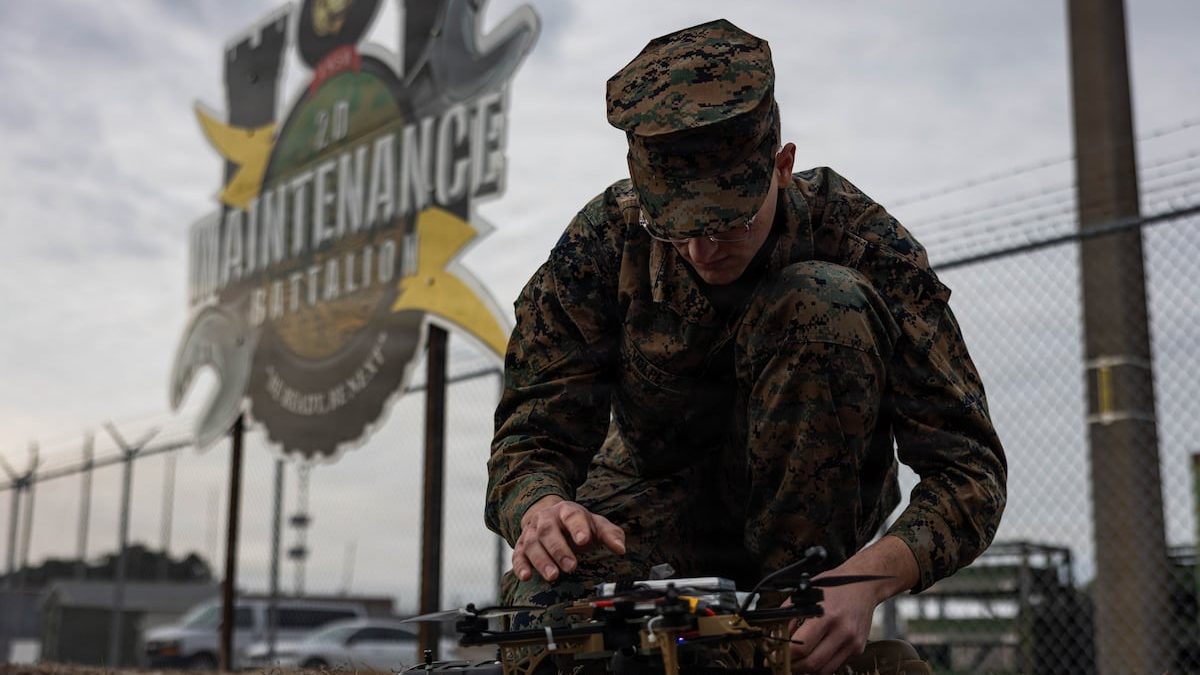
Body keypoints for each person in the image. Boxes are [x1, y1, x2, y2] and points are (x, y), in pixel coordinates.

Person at [484, 18, 1006, 675]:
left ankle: (803, 643)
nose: (702, 248)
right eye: (676, 225)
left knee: (823, 301)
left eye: (727, 220)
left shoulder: (864, 244)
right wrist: (540, 505)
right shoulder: (604, 242)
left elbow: (969, 470)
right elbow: (531, 434)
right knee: (543, 632)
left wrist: (864, 579)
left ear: (782, 167)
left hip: (809, 536)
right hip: (645, 506)